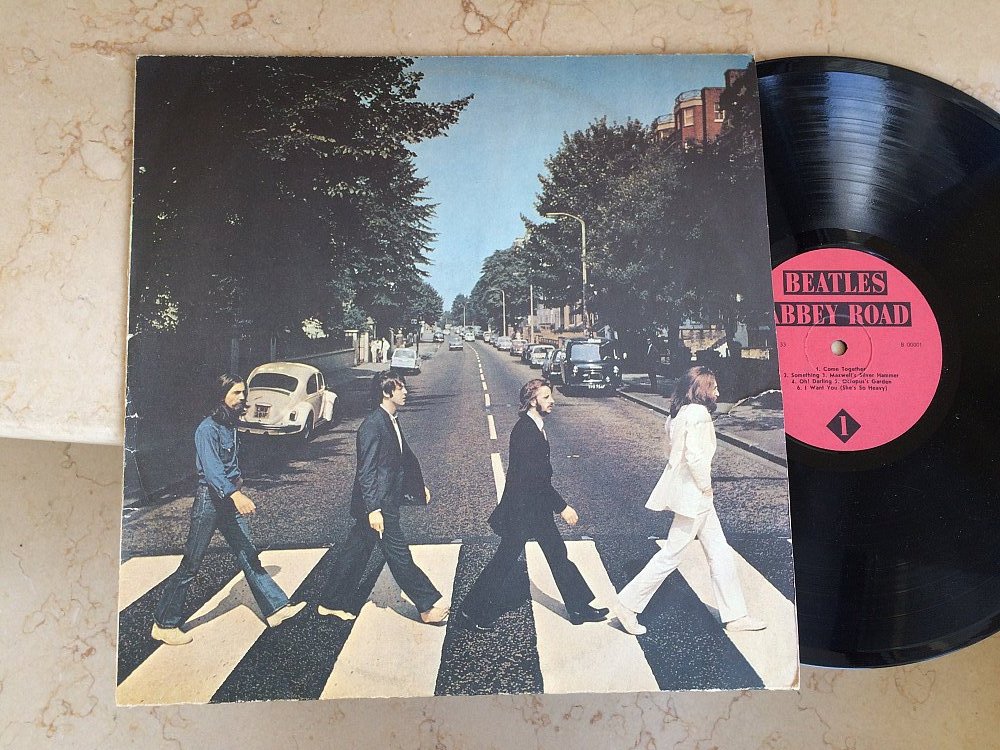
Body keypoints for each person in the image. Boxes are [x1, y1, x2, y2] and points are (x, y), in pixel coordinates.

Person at [151, 373, 306, 646]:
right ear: (220, 395)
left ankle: (276, 608)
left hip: (228, 497)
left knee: (248, 554)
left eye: (243, 392)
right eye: (236, 393)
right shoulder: (207, 429)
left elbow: (229, 463)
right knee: (191, 563)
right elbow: (212, 472)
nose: (242, 397)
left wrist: (237, 481)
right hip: (211, 501)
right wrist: (236, 494)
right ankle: (164, 624)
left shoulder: (230, 424)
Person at [613, 366, 765, 636]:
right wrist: (706, 487)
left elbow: (670, 452)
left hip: (690, 493)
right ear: (702, 390)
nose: (718, 392)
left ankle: (735, 616)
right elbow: (695, 457)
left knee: (719, 552)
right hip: (695, 495)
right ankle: (627, 604)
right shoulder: (698, 414)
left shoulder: (678, 414)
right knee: (672, 554)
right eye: (713, 387)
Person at [455, 378, 609, 631]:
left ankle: (579, 607)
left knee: (557, 554)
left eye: (551, 396)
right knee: (504, 560)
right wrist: (562, 507)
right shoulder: (526, 432)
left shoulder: (534, 426)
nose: (552, 401)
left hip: (535, 508)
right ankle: (470, 612)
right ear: (532, 400)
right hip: (523, 511)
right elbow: (535, 479)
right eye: (546, 397)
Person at [315, 370, 448, 624]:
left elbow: (402, 459)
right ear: (387, 393)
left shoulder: (391, 419)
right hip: (379, 503)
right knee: (399, 555)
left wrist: (418, 487)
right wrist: (373, 509)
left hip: (385, 498)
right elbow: (366, 472)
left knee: (356, 551)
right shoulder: (372, 426)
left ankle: (330, 602)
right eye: (400, 388)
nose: (406, 392)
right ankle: (426, 605)